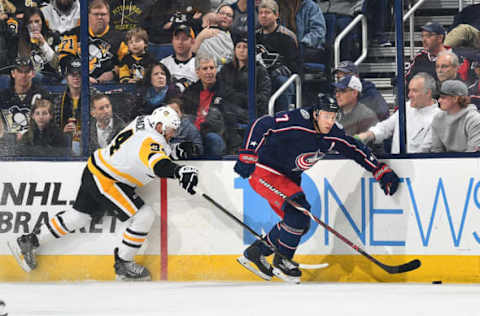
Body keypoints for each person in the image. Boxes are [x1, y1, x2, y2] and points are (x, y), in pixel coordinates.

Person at [8, 106, 200, 280]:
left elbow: (147, 149)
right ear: (159, 127)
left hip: (95, 168)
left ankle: (30, 241)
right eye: (170, 131)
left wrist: (174, 150)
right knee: (144, 215)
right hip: (108, 181)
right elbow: (156, 162)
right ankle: (124, 264)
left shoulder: (143, 120)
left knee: (79, 217)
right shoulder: (151, 140)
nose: (172, 134)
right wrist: (178, 171)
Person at [233, 95, 400, 283]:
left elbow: (354, 147)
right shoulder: (298, 121)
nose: (329, 121)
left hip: (287, 178)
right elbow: (262, 124)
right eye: (325, 116)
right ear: (315, 114)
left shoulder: (333, 133)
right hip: (265, 171)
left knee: (298, 221)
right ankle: (283, 260)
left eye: (333, 116)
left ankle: (256, 252)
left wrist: (378, 169)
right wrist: (248, 153)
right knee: (298, 211)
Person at [355, 72, 442, 153]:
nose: (409, 95)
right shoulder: (406, 107)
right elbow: (386, 127)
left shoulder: (438, 117)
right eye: (409, 90)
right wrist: (367, 135)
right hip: (397, 164)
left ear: (428, 93)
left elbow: (424, 151)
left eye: (414, 91)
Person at [256, 0, 298, 112]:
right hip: (259, 77)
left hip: (277, 77)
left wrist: (275, 72)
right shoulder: (254, 35)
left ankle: (283, 117)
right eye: (261, 12)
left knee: (282, 82)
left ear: (276, 15)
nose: (263, 15)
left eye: (267, 12)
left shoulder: (287, 36)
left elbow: (294, 65)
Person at [182, 52, 226, 156]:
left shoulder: (225, 91)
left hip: (215, 134)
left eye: (212, 68)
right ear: (198, 72)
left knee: (213, 139)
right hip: (192, 134)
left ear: (216, 69)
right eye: (205, 69)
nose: (209, 72)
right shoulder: (189, 92)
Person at [218, 36, 271, 119]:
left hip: (250, 110)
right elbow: (221, 89)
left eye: (245, 47)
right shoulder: (226, 68)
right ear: (234, 50)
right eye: (238, 47)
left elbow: (264, 96)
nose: (241, 50)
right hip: (230, 108)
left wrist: (244, 100)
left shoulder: (260, 70)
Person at [9, 7, 61, 83]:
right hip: (26, 78)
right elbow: (18, 66)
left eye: (37, 21)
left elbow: (56, 64)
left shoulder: (53, 37)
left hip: (49, 77)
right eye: (30, 22)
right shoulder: (18, 39)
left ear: (42, 22)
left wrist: (43, 44)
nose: (34, 25)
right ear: (26, 24)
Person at [0, 57, 49, 137]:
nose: (23, 75)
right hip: (7, 144)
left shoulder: (43, 95)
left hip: (35, 143)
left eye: (27, 71)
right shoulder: (3, 96)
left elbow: (49, 125)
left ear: (33, 73)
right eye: (19, 71)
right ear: (13, 73)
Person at [430, 80, 480, 152]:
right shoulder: (437, 118)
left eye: (443, 97)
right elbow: (436, 150)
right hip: (445, 162)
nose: (439, 100)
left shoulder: (475, 120)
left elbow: (473, 154)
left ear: (455, 99)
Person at [88, 0, 128, 84]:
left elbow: (127, 63)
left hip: (106, 83)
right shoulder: (77, 34)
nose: (99, 17)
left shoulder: (120, 38)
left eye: (103, 14)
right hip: (78, 80)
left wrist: (113, 73)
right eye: (96, 14)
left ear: (109, 16)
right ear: (88, 16)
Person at [55, 57, 82, 155]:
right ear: (66, 77)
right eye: (72, 74)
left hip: (89, 145)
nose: (76, 77)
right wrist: (62, 133)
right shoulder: (59, 99)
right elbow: (53, 130)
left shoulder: (94, 96)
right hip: (64, 148)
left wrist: (87, 133)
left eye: (80, 74)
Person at [160, 24, 199, 93]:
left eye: (184, 39)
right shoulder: (163, 63)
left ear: (192, 41)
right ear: (172, 41)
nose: (180, 42)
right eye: (177, 38)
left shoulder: (200, 64)